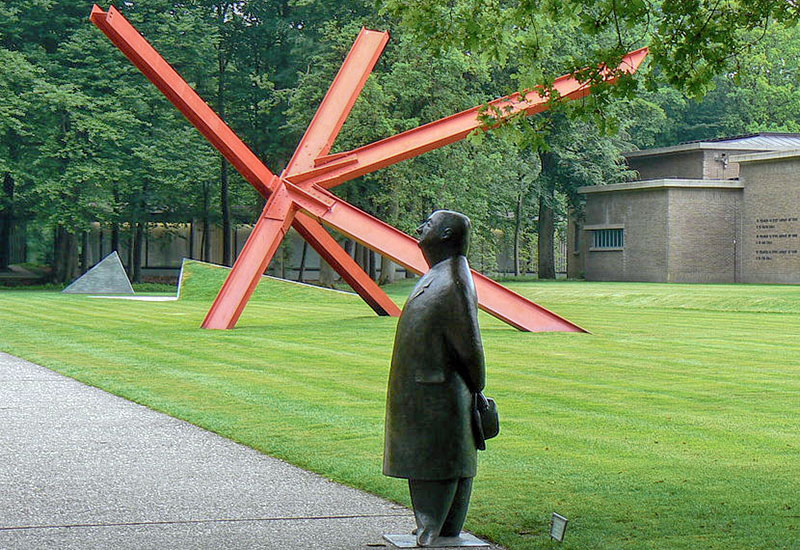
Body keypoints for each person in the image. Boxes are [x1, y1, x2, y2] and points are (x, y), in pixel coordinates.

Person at [383, 210, 485, 547]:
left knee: (438, 457)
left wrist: (477, 385)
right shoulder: (440, 275)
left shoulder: (452, 280)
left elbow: (469, 344)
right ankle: (437, 525)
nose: (418, 228)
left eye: (427, 224)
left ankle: (434, 526)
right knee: (434, 456)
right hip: (426, 389)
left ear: (445, 235)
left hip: (438, 391)